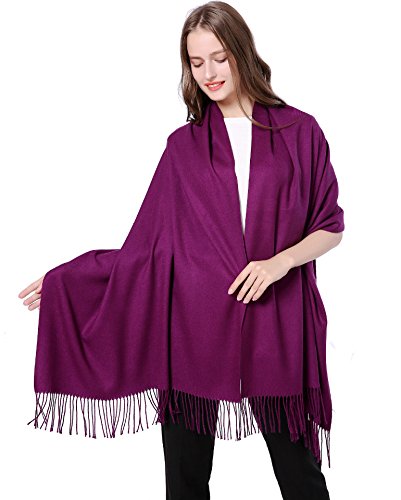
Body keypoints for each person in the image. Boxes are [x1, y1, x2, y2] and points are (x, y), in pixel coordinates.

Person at [19, 2, 344, 499]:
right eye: (196, 62)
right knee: (186, 480)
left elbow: (330, 226)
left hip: (278, 320)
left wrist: (280, 263)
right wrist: (71, 279)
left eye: (219, 58)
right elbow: (147, 250)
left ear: (242, 52)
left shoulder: (300, 131)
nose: (209, 73)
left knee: (299, 475)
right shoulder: (182, 147)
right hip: (191, 327)